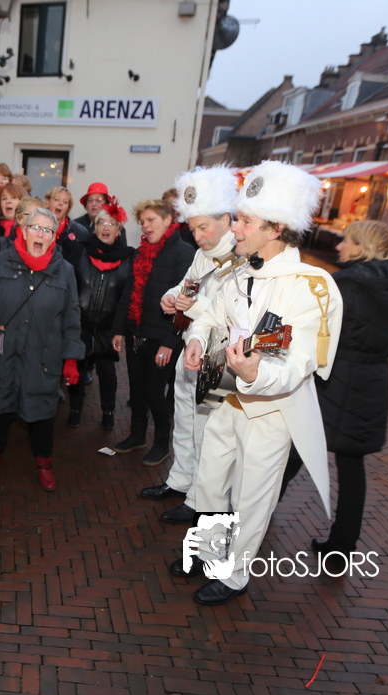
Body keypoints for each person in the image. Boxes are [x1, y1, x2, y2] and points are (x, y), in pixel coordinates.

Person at [173, 160, 344, 606]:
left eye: (246, 220)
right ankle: (211, 554)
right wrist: (197, 337)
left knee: (251, 499)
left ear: (276, 228)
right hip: (226, 400)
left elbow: (299, 363)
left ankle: (233, 576)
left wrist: (255, 373)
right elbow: (211, 314)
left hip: (272, 412)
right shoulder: (238, 269)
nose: (236, 226)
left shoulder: (310, 287)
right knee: (210, 484)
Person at [280, 220, 388, 568]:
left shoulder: (342, 285)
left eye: (346, 241)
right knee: (352, 464)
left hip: (333, 378)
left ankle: (257, 511)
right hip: (372, 381)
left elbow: (316, 336)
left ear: (362, 247)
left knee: (294, 449)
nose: (339, 246)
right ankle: (342, 546)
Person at [0, 208, 84, 491]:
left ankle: (44, 465)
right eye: (35, 227)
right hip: (4, 353)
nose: (40, 234)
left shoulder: (65, 271)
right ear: (23, 230)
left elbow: (72, 319)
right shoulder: (3, 261)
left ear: (53, 237)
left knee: (42, 416)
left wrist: (71, 359)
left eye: (47, 230)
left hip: (43, 357)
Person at [146, 167, 241, 524]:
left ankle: (200, 499)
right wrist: (172, 297)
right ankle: (181, 481)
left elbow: (228, 313)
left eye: (204, 228)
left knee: (207, 433)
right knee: (184, 421)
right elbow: (188, 285)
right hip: (190, 347)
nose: (198, 236)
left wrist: (191, 306)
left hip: (218, 355)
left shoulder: (240, 257)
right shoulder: (204, 252)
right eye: (193, 229)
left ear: (226, 220)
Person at [110, 199, 193, 466]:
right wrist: (119, 329)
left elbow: (186, 304)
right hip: (137, 334)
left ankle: (161, 444)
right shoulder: (140, 252)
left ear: (168, 220)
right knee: (136, 390)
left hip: (163, 339)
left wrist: (169, 342)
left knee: (155, 392)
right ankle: (137, 436)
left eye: (151, 220)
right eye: (142, 222)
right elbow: (128, 293)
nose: (145, 226)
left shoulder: (185, 254)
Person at [68, 205, 133, 430]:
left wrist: (119, 329)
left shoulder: (128, 259)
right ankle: (75, 410)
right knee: (78, 369)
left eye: (112, 224)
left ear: (119, 230)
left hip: (108, 327)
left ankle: (108, 412)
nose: (106, 228)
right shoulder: (80, 252)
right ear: (95, 228)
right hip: (81, 324)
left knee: (107, 373)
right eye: (101, 223)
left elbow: (126, 298)